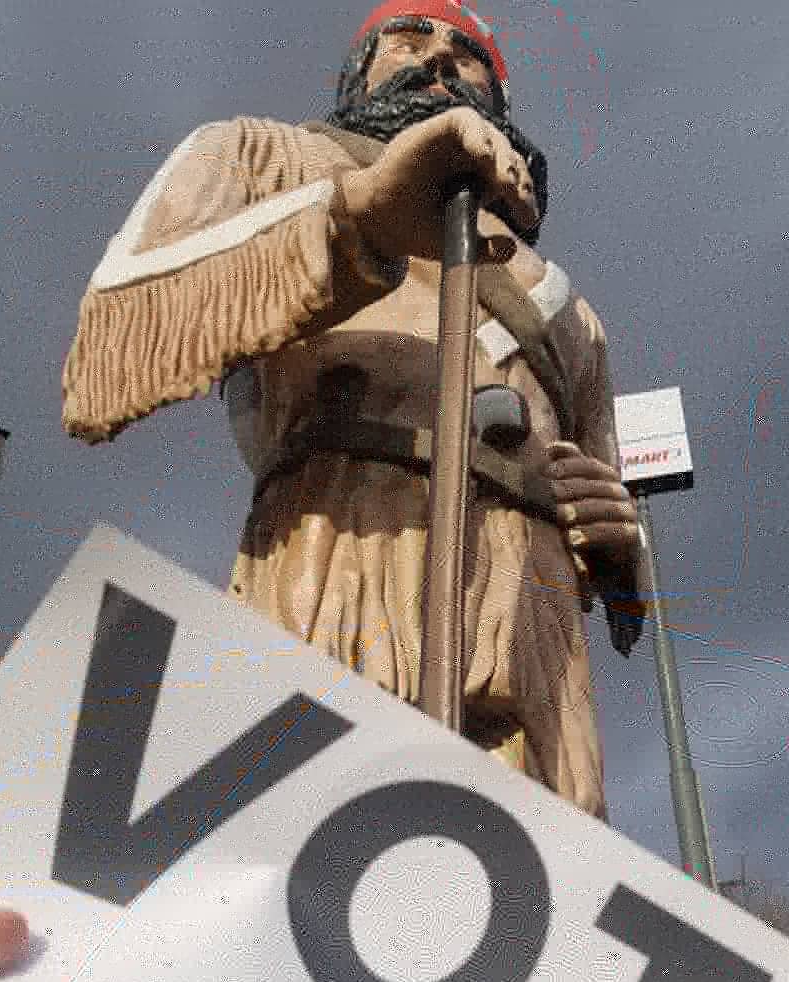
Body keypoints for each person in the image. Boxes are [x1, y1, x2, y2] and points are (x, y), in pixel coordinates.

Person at [61, 0, 642, 821]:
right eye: (407, 39)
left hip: (533, 627)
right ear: (357, 72)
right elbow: (116, 331)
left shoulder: (569, 311)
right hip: (338, 552)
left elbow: (610, 513)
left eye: (468, 55)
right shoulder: (262, 156)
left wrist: (617, 546)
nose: (438, 60)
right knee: (317, 834)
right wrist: (362, 212)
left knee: (542, 862)